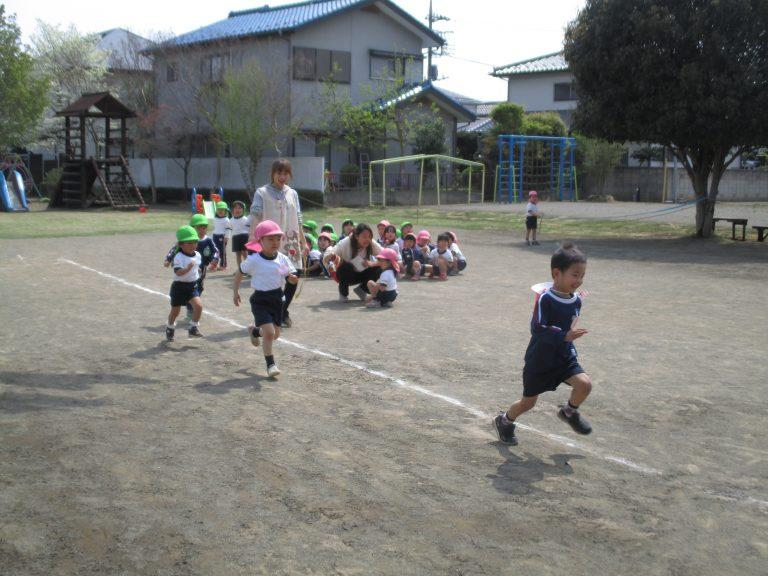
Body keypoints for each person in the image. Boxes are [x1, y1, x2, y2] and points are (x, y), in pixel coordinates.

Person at [494, 242, 593, 446]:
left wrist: (567, 339)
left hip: (563, 356)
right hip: (540, 360)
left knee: (584, 385)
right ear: (557, 273)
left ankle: (569, 412)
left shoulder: (576, 300)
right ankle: (504, 421)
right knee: (528, 403)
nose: (579, 280)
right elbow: (538, 328)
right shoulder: (545, 299)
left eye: (582, 276)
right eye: (575, 275)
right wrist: (564, 335)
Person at [233, 220, 298, 378]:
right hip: (260, 300)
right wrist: (235, 291)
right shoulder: (254, 260)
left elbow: (287, 275)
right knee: (269, 332)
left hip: (277, 299)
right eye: (270, 239)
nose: (275, 242)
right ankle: (271, 365)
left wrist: (292, 279)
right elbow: (240, 271)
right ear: (260, 241)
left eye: (278, 238)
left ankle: (254, 331)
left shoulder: (281, 259)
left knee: (275, 334)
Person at [250, 158, 307, 328]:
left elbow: (298, 218)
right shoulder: (262, 192)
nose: (282, 177)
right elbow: (255, 216)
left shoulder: (292, 193)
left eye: (286, 173)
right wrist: (254, 241)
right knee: (277, 278)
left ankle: (282, 311)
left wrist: (303, 240)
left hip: (290, 243)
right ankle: (274, 313)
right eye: (279, 173)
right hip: (271, 244)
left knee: (294, 275)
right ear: (273, 174)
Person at [163, 213, 219, 320]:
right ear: (192, 228)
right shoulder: (185, 240)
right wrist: (168, 259)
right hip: (186, 269)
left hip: (201, 270)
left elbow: (216, 251)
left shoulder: (208, 240)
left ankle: (191, 307)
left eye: (204, 227)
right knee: (186, 287)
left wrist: (215, 260)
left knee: (198, 288)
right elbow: (174, 249)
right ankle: (188, 307)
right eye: (199, 228)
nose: (202, 230)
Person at [323, 222, 382, 302]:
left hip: (363, 274)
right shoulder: (346, 242)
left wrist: (372, 263)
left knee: (379, 267)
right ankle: (343, 294)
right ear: (356, 236)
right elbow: (329, 254)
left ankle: (362, 290)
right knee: (345, 266)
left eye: (370, 237)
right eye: (364, 237)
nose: (367, 239)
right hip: (347, 275)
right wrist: (330, 256)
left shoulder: (371, 243)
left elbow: (386, 256)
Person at [166, 225, 203, 341]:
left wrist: (197, 270)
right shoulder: (179, 257)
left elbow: (196, 266)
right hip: (179, 287)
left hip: (192, 286)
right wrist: (187, 269)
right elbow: (178, 272)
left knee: (198, 306)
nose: (193, 245)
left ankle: (193, 328)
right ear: (181, 244)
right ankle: (170, 327)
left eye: (195, 242)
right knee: (175, 311)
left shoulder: (198, 255)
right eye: (189, 243)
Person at [230, 201, 251, 267]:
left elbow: (249, 229)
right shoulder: (231, 220)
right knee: (238, 254)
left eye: (240, 208)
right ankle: (240, 268)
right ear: (233, 210)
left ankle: (247, 268)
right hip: (235, 237)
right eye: (236, 208)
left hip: (244, 237)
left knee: (245, 253)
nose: (237, 210)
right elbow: (230, 229)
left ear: (243, 210)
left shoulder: (245, 219)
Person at [212, 201, 231, 271]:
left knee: (222, 252)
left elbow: (228, 229)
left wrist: (227, 237)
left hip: (222, 237)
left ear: (225, 211)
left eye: (222, 210)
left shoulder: (226, 220)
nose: (220, 211)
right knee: (215, 251)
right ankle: (214, 264)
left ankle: (223, 265)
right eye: (218, 209)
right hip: (215, 236)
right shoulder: (215, 218)